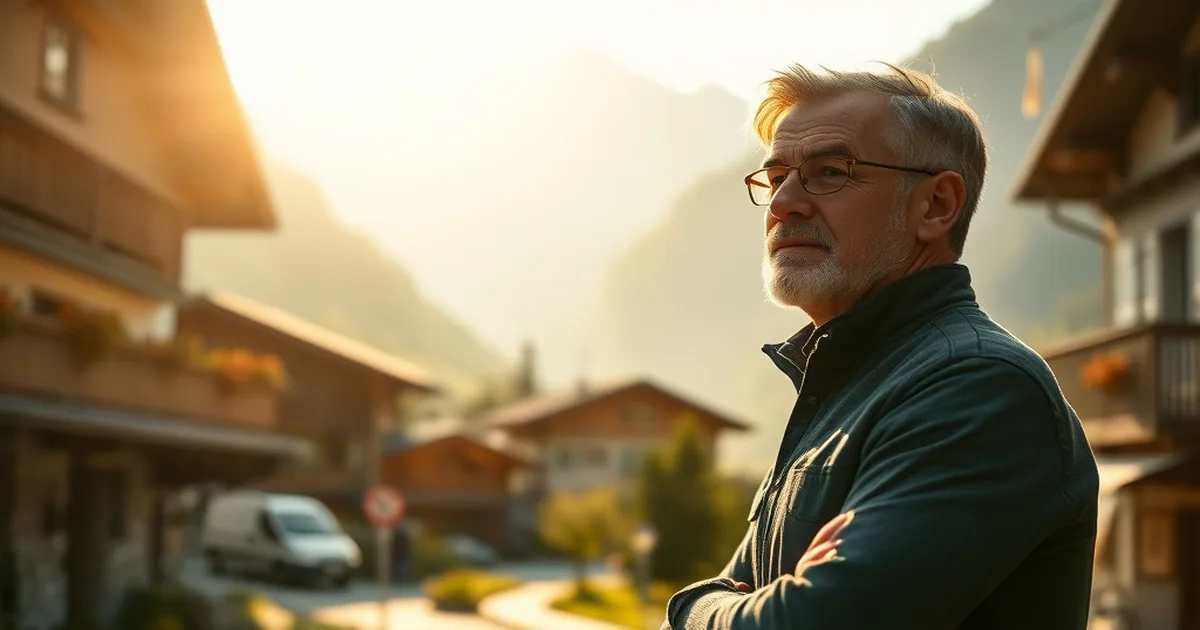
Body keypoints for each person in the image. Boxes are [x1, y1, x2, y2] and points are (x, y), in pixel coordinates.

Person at [660, 64, 1099, 630]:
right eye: (775, 178)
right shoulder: (846, 389)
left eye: (829, 172)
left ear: (937, 205)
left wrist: (694, 606)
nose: (783, 202)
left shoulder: (979, 386)